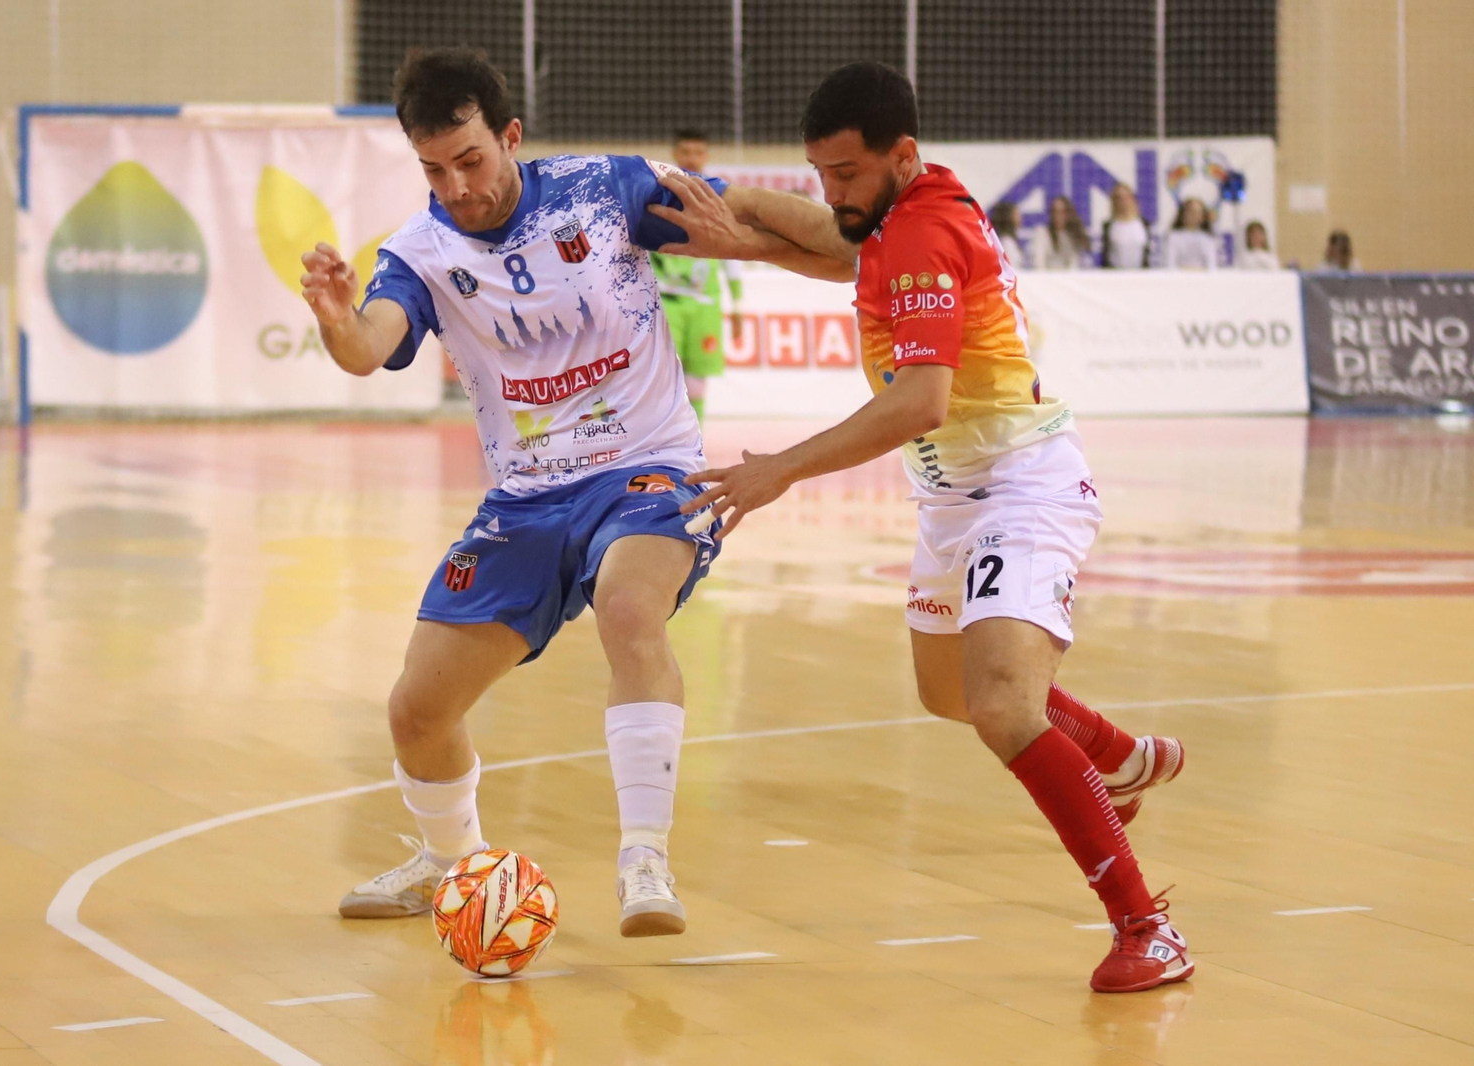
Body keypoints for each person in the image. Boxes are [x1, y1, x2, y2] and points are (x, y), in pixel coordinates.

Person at [655, 61, 1191, 993]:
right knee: (947, 692)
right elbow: (834, 240)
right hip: (955, 499)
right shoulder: (910, 203)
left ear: (901, 156)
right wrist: (737, 214)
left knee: (1001, 708)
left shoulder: (923, 232)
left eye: (848, 173)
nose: (832, 192)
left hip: (1022, 487)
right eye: (819, 171)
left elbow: (921, 402)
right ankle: (1117, 758)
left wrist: (779, 468)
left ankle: (1148, 929)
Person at [300, 48, 848, 938]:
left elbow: (740, 208)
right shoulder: (421, 251)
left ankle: (644, 862)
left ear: (510, 137)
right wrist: (333, 318)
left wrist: (857, 232)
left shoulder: (603, 191)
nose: (458, 186)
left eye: (471, 161)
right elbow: (370, 347)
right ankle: (455, 866)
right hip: (525, 499)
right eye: (434, 169)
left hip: (648, 471)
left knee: (630, 609)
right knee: (417, 709)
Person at [650, 129, 743, 422]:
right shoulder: (653, 194)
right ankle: (667, 447)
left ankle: (696, 446)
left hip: (704, 303)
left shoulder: (722, 198)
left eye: (697, 152)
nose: (691, 158)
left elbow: (734, 253)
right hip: (666, 303)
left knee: (697, 384)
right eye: (686, 152)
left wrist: (738, 304)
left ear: (707, 156)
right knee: (663, 382)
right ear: (675, 154)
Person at [1099, 183, 1153, 269]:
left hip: (1141, 275)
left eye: (1126, 197)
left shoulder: (1144, 225)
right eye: (1118, 198)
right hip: (1115, 277)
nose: (1122, 202)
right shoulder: (1108, 226)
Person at [1029, 194, 1089, 270]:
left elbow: (1074, 265)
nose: (1058, 216)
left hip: (1067, 280)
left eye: (1062, 212)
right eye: (1055, 211)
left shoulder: (1072, 237)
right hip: (1046, 279)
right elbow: (1038, 263)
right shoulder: (1042, 234)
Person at [1161, 197, 1218, 270]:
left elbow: (1212, 265)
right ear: (1183, 214)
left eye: (1199, 213)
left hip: (1203, 278)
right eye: (1191, 212)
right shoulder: (1173, 237)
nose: (1195, 216)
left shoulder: (1207, 238)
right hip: (1178, 278)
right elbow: (1169, 263)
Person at [987, 201, 1025, 269]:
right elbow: (1011, 267)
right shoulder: (1006, 242)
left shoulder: (1008, 241)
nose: (1020, 218)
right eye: (1016, 214)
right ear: (1008, 217)